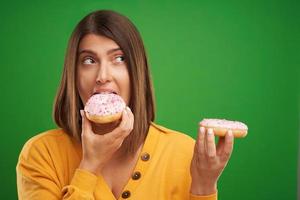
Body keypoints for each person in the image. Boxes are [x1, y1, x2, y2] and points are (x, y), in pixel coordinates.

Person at [16, 10, 234, 200]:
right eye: (89, 60)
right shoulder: (41, 154)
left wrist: (204, 186)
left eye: (119, 58)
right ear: (73, 74)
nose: (102, 76)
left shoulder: (185, 153)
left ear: (137, 72)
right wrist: (89, 166)